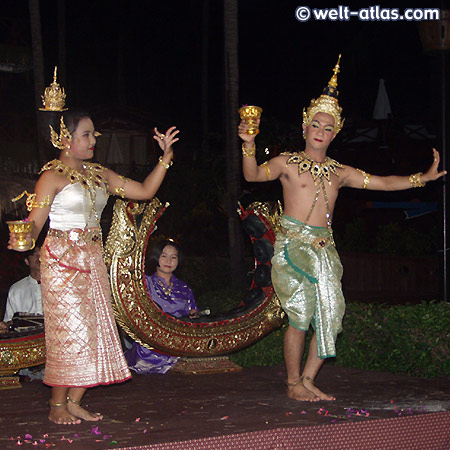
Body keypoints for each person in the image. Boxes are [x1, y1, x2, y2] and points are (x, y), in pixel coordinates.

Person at [238, 55, 446, 402]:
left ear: (336, 133)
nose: (321, 131)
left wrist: (420, 178)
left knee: (332, 315)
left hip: (324, 248)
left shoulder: (340, 171)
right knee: (301, 315)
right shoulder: (287, 162)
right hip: (292, 248)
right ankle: (292, 384)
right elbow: (252, 175)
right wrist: (248, 144)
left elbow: (383, 182)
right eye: (316, 125)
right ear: (305, 127)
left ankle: (306, 379)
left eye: (328, 127)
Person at [8, 70, 179, 424]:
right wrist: (21, 234)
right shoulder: (51, 176)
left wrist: (164, 158)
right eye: (87, 134)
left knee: (97, 327)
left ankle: (73, 399)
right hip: (61, 261)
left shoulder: (100, 174)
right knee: (69, 332)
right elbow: (36, 223)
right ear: (65, 137)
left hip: (93, 259)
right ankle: (56, 406)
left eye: (93, 134)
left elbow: (145, 191)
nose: (93, 140)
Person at [125, 239, 198, 374]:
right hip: (150, 343)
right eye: (163, 256)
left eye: (173, 257)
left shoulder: (184, 288)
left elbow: (193, 313)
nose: (168, 261)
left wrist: (193, 315)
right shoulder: (144, 283)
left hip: (178, 343)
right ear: (156, 257)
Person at [3, 246, 42, 323]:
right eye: (34, 254)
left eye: (41, 253)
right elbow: (9, 321)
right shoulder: (17, 289)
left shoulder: (59, 285)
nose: (39, 257)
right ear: (26, 261)